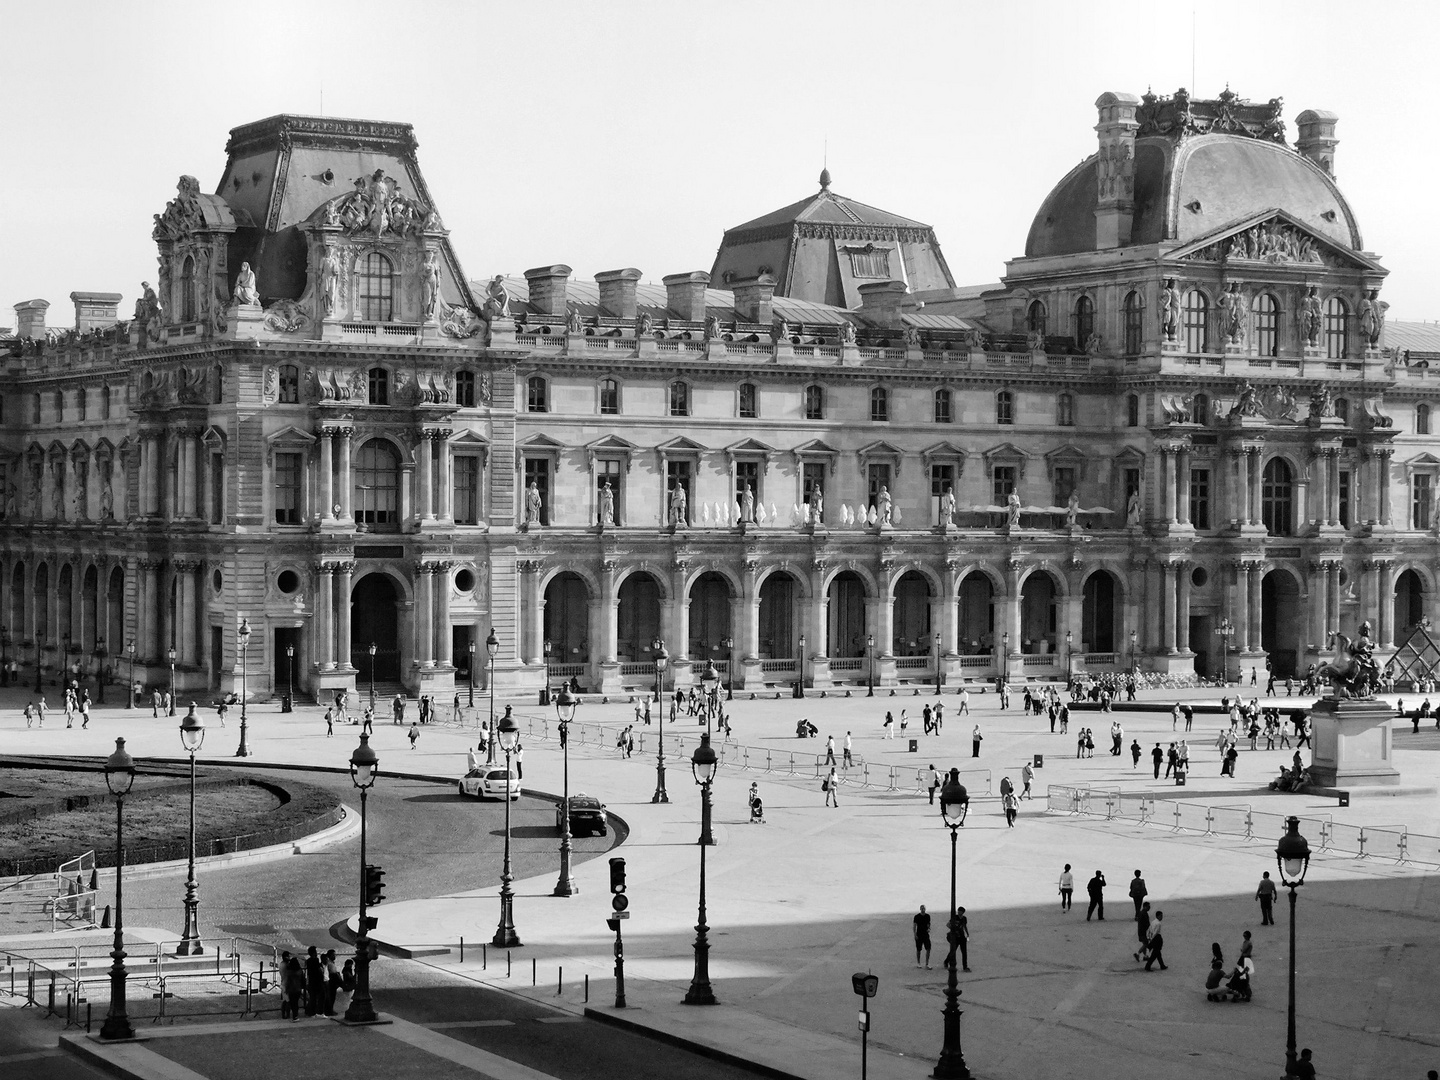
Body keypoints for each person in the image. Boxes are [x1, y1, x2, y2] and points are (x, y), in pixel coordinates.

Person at [283, 953, 305, 1021]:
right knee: (296, 1002)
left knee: (292, 1003)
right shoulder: (300, 971)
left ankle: (294, 1015)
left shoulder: (289, 972)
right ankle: (296, 1015)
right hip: (298, 988)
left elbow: (287, 981)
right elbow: (303, 980)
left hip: (291, 989)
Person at [305, 946, 324, 1016]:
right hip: (316, 982)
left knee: (313, 998)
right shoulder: (315, 960)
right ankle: (315, 1011)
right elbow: (318, 971)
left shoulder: (308, 961)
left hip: (312, 981)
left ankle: (310, 1011)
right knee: (317, 997)